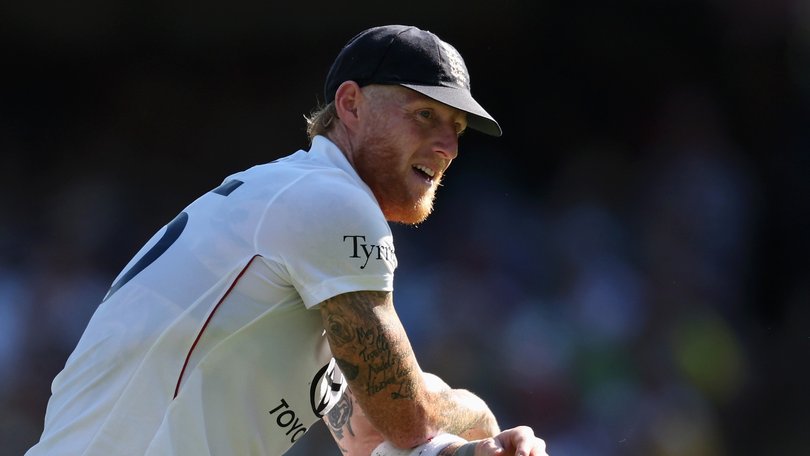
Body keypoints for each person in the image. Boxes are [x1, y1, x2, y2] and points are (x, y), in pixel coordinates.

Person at [25, 24, 548, 456]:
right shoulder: (332, 200)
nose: (447, 146)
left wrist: (470, 448)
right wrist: (479, 419)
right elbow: (407, 418)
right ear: (350, 105)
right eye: (425, 115)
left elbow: (368, 427)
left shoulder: (298, 210)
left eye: (456, 127)